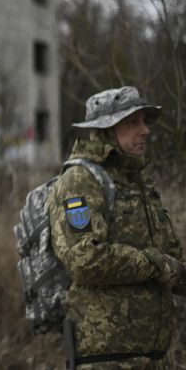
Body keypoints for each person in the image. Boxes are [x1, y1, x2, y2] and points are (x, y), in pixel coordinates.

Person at [49, 86, 184, 369]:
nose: (145, 130)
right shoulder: (81, 180)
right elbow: (84, 258)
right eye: (132, 122)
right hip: (106, 360)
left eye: (144, 121)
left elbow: (172, 259)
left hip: (155, 358)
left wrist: (173, 270)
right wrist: (154, 264)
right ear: (106, 130)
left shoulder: (138, 184)